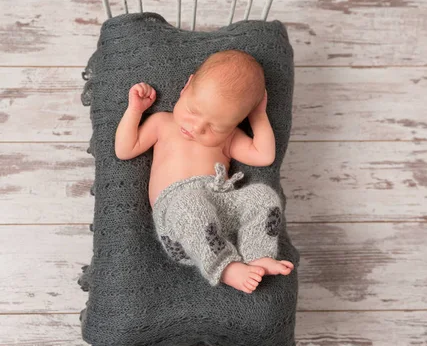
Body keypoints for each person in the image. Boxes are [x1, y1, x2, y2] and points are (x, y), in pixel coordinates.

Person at [114, 49, 294, 294]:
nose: (196, 128)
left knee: (263, 196)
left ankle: (258, 255)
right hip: (179, 218)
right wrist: (134, 110)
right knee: (191, 204)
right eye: (193, 111)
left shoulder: (228, 138)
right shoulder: (162, 123)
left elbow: (264, 156)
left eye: (214, 127)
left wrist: (258, 116)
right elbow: (125, 149)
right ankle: (226, 267)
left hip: (220, 207)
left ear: (232, 125)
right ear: (186, 87)